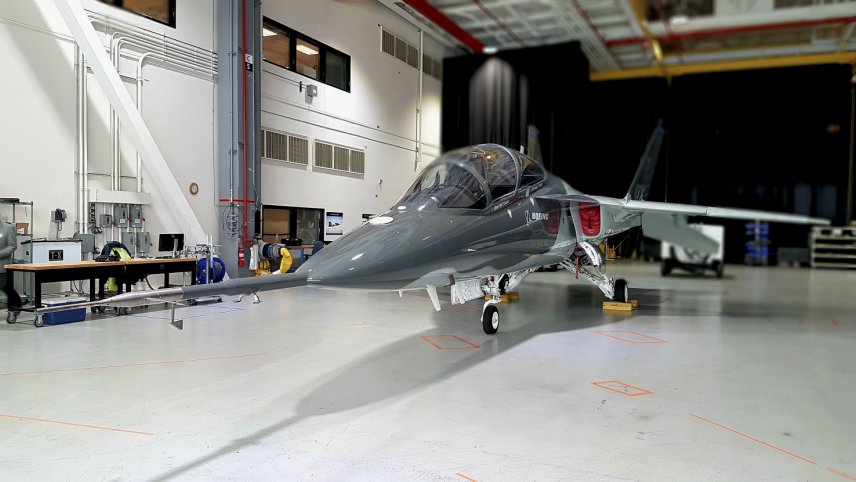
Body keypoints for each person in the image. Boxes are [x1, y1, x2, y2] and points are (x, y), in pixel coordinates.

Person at [0, 220, 22, 311]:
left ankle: (15, 307)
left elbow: (12, 246)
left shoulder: (8, 228)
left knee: (6, 287)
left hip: (3, 265)